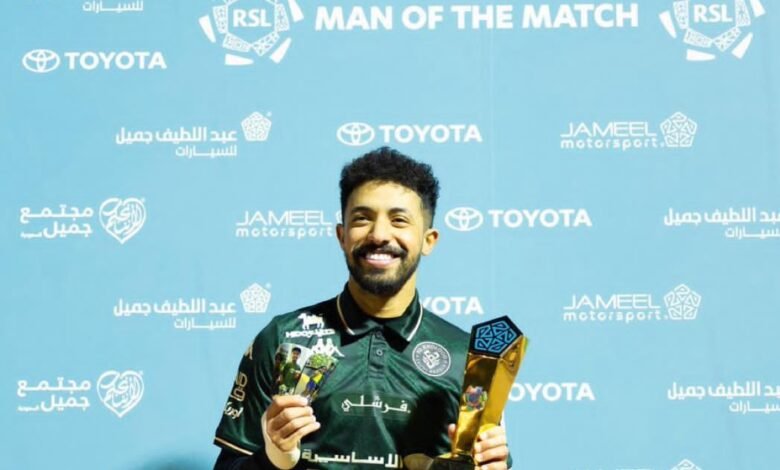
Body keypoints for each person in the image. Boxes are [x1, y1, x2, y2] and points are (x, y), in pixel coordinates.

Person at [213, 147, 510, 469]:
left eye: (399, 220)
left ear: (429, 240)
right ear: (341, 235)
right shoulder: (284, 338)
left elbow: (483, 460)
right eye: (362, 218)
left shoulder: (469, 359)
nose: (379, 234)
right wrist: (275, 457)